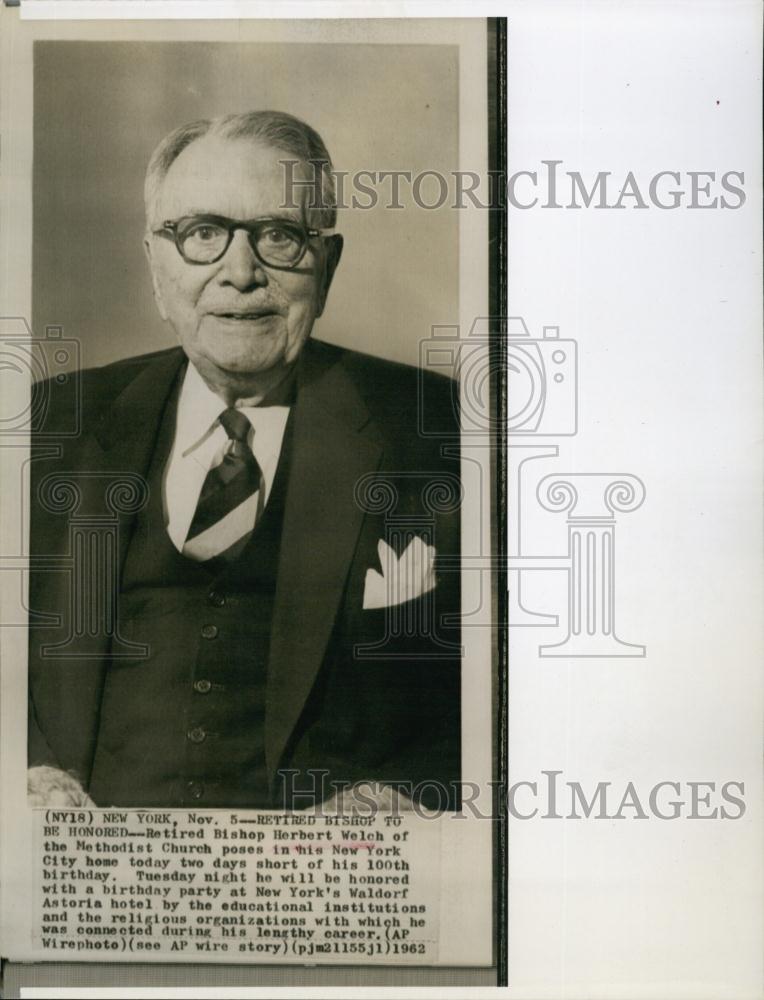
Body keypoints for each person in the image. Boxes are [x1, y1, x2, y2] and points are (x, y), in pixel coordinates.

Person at [27, 111, 461, 811]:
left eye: (280, 236)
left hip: (320, 890)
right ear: (153, 263)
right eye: (203, 234)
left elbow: (513, 704)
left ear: (329, 263)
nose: (240, 273)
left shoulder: (442, 431)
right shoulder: (45, 428)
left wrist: (409, 794)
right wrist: (24, 774)